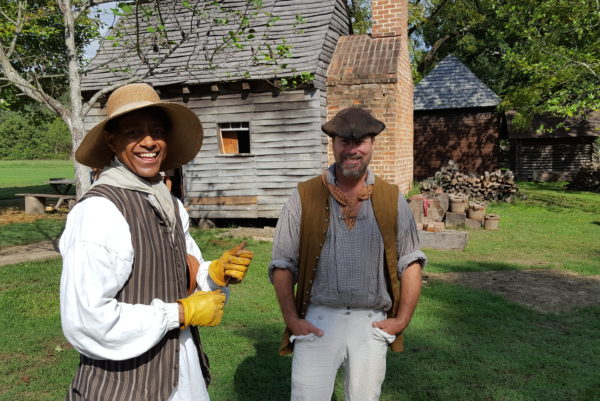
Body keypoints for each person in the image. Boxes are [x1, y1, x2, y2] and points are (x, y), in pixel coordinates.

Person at [60, 83, 253, 401]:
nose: (148, 142)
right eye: (133, 132)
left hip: (182, 372)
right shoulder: (99, 211)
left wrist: (213, 274)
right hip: (125, 386)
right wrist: (177, 314)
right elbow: (86, 320)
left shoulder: (170, 203)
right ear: (112, 140)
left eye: (157, 131)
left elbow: (183, 272)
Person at [269, 107, 427, 401]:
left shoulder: (392, 198)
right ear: (333, 144)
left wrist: (401, 319)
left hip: (370, 321)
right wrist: (293, 320)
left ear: (372, 144)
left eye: (361, 142)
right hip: (318, 319)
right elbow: (282, 265)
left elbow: (411, 263)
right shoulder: (304, 196)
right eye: (344, 141)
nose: (352, 150)